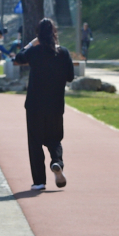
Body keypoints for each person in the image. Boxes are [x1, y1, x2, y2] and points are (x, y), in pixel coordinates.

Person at [14, 18, 74, 191]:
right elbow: (70, 77)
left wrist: (31, 43)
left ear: (38, 35)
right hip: (55, 104)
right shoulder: (63, 53)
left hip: (34, 104)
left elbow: (18, 58)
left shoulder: (35, 51)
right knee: (55, 139)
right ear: (54, 32)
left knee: (35, 142)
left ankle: (39, 181)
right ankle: (56, 162)